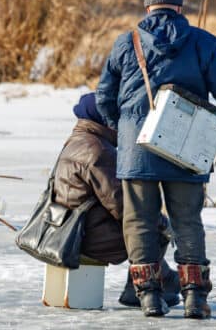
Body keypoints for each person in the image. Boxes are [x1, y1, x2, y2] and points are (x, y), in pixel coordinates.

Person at [95, 0, 216, 319]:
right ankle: (195, 297)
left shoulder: (126, 43)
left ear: (148, 6)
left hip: (138, 150)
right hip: (187, 148)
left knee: (140, 224)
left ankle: (148, 297)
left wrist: (126, 131)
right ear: (180, 7)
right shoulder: (203, 42)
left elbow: (104, 97)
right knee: (187, 222)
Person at [52, 93, 180, 307]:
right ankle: (150, 284)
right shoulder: (98, 151)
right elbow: (123, 204)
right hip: (85, 237)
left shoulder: (76, 142)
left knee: (147, 226)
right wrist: (160, 221)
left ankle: (152, 281)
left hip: (67, 230)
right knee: (151, 229)